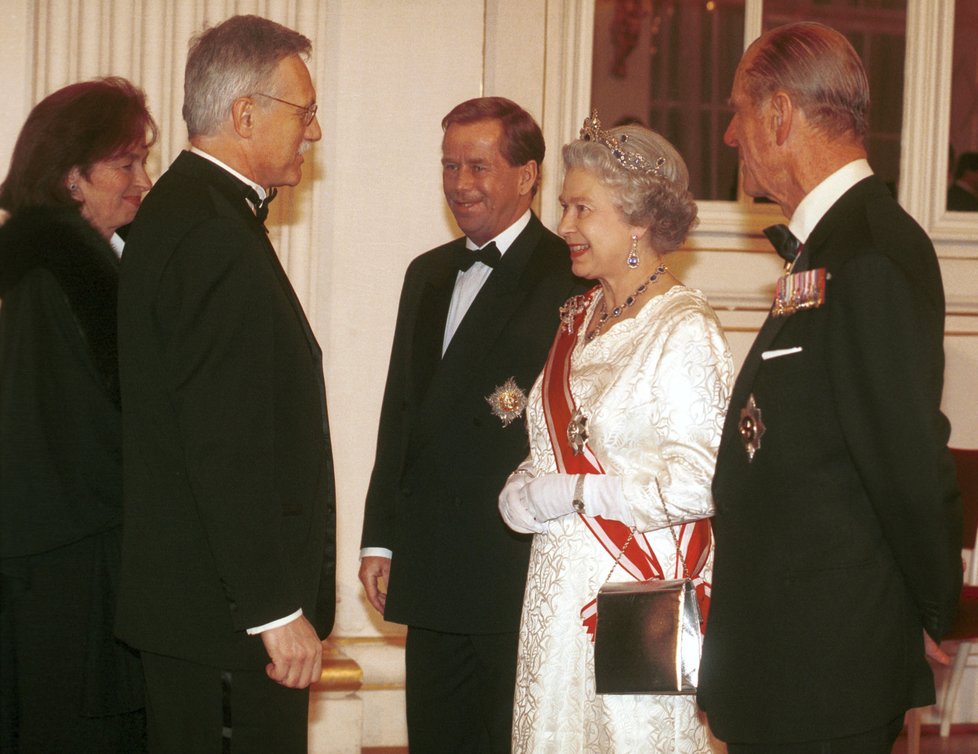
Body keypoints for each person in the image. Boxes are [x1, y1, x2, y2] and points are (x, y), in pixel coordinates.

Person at [698, 22, 963, 753]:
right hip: (786, 656)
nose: (729, 136)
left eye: (739, 112)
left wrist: (931, 609)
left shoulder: (872, 252)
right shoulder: (833, 246)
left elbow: (906, 461)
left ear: (779, 115)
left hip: (825, 669)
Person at [115, 15, 335, 754]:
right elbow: (223, 441)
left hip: (199, 611)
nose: (315, 131)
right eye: (303, 112)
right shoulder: (211, 233)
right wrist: (273, 611)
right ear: (246, 114)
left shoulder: (188, 212)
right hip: (226, 624)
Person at [498, 113, 733, 752]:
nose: (564, 226)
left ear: (638, 221)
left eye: (581, 208)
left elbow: (704, 482)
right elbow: (557, 443)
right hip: (557, 596)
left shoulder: (682, 329)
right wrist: (524, 487)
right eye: (564, 206)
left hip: (632, 606)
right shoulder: (580, 317)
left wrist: (580, 494)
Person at [359, 96, 587, 753]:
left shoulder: (567, 275)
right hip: (429, 565)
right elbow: (399, 412)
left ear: (528, 175)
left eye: (479, 167)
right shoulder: (426, 275)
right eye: (449, 167)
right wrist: (381, 539)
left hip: (510, 569)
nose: (460, 184)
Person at [0, 77, 155, 753]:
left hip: (58, 565)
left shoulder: (51, 265)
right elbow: (78, 439)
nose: (143, 181)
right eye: (126, 165)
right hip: (75, 576)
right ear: (70, 178)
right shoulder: (58, 275)